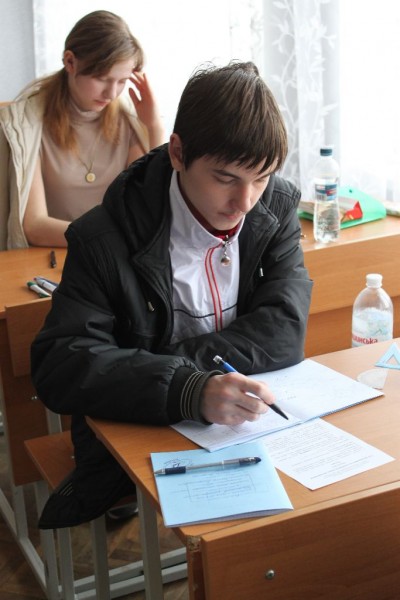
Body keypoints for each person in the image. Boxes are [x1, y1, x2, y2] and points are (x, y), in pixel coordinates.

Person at [31, 61, 313, 529]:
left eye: (261, 177)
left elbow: (284, 331)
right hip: (135, 431)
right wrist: (186, 389)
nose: (245, 202)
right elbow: (60, 365)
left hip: (241, 425)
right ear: (178, 152)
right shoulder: (103, 237)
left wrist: (164, 370)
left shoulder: (274, 206)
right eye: (225, 178)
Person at [0, 10, 164, 250]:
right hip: (54, 257)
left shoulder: (129, 120)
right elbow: (34, 226)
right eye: (102, 78)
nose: (111, 93)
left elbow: (146, 207)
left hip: (113, 255)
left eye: (121, 81)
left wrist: (154, 126)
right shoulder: (28, 125)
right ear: (70, 62)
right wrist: (104, 239)